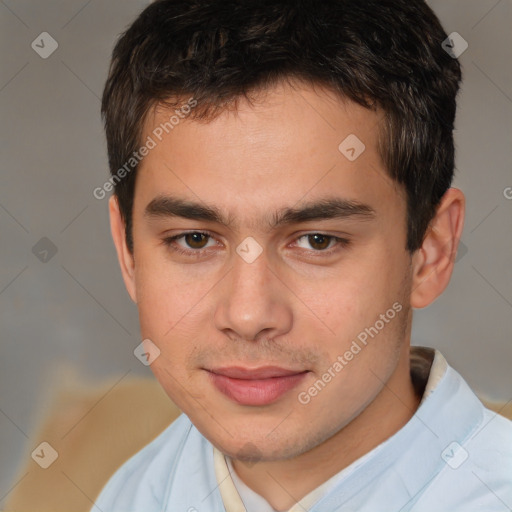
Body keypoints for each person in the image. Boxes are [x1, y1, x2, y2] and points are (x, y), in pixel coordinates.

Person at [92, 0, 512, 510]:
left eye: (317, 241)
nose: (247, 316)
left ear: (430, 251)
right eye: (194, 239)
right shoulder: (131, 495)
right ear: (129, 251)